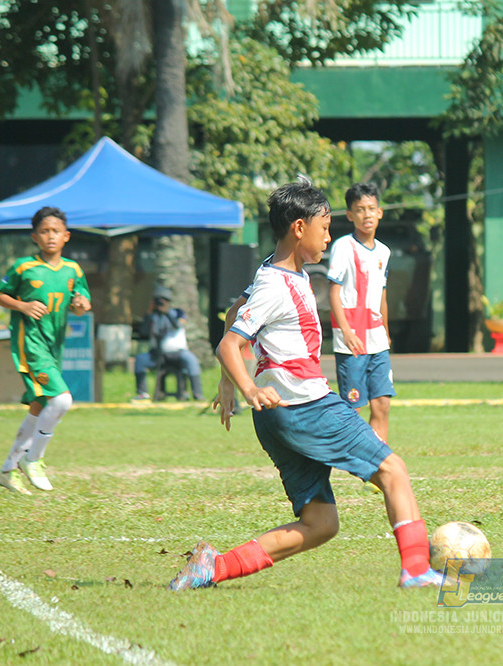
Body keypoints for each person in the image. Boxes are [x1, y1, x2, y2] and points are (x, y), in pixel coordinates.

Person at [169, 178, 444, 590]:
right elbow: (230, 342)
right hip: (305, 406)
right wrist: (245, 387)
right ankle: (417, 570)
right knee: (393, 470)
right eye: (325, 227)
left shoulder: (274, 272)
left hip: (278, 417)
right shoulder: (276, 284)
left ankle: (214, 567)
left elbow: (233, 312)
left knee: (320, 523)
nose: (329, 237)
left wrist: (229, 384)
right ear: (299, 228)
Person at [0, 206, 91, 494]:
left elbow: (82, 300)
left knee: (40, 405)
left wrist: (81, 305)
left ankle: (7, 469)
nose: (50, 236)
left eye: (56, 231)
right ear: (35, 236)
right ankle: (33, 459)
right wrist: (22, 305)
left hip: (53, 345)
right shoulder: (23, 266)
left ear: (66, 236)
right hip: (29, 343)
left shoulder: (74, 269)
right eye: (45, 231)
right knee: (61, 401)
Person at [327, 183, 395, 443]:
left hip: (376, 338)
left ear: (380, 212)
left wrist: (386, 333)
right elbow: (334, 292)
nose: (366, 215)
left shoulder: (384, 252)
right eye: (360, 210)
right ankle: (353, 459)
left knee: (382, 405)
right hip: (351, 341)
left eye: (371, 209)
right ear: (350, 215)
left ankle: (378, 467)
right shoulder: (344, 246)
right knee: (353, 407)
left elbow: (382, 295)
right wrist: (346, 331)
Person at [132, 285, 204, 401]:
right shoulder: (152, 316)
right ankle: (142, 393)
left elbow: (177, 326)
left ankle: (197, 394)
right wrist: (149, 313)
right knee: (140, 360)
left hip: (178, 353)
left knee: (192, 361)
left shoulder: (178, 313)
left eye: (163, 301)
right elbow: (143, 332)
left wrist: (166, 313)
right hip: (157, 354)